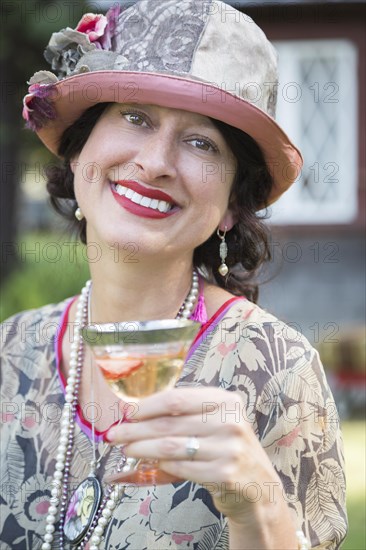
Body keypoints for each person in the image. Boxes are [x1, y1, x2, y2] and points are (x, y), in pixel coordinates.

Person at [0, 1, 347, 549]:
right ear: (78, 151)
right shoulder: (11, 350)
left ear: (233, 204)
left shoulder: (277, 372)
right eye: (135, 117)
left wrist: (255, 502)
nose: (156, 161)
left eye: (200, 142)